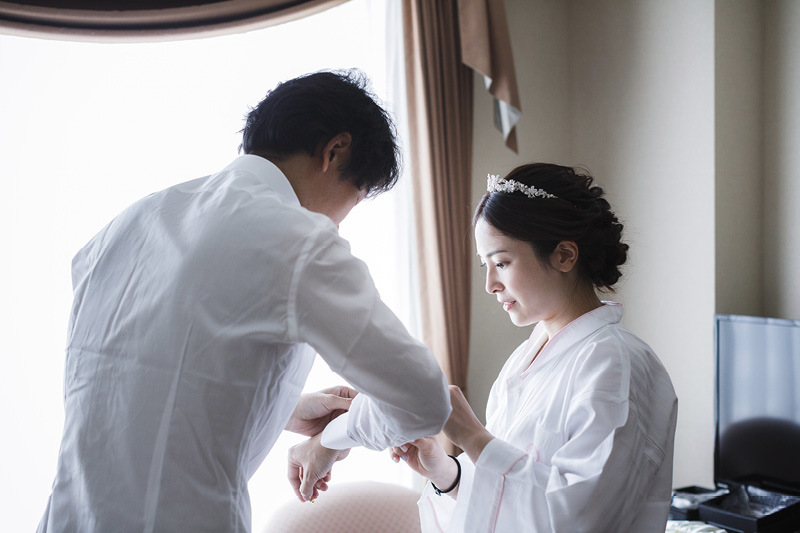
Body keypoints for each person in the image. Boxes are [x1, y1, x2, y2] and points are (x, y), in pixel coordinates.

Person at [37, 69, 451, 533]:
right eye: (352, 200)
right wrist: (335, 438)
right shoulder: (299, 240)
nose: (339, 222)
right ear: (335, 151)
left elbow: (133, 380)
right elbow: (423, 400)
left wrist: (283, 407)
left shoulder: (128, 223)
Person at [392, 164, 678, 532]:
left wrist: (473, 436)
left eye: (502, 262)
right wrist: (446, 473)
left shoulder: (616, 365)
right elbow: (503, 497)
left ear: (564, 255)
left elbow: (580, 519)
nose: (490, 284)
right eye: (485, 265)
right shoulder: (523, 360)